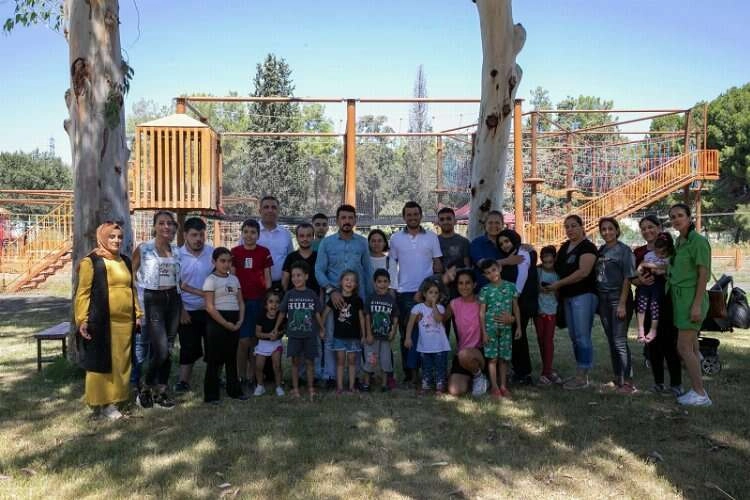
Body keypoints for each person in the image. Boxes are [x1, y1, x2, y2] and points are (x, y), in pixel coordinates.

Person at [74, 222, 142, 420]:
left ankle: (117, 399)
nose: (116, 240)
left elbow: (132, 289)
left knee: (121, 363)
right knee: (102, 362)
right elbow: (83, 293)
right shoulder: (91, 262)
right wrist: (82, 319)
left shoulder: (126, 261)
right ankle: (103, 403)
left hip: (125, 322)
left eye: (119, 237)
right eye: (111, 236)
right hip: (102, 322)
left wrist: (138, 314)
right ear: (102, 238)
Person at [315, 204, 372, 388]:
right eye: (343, 218)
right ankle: (330, 376)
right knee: (331, 337)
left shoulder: (362, 243)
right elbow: (319, 270)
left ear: (355, 220)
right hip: (334, 299)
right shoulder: (327, 243)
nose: (347, 221)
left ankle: (358, 377)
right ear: (337, 220)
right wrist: (331, 291)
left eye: (350, 218)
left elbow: (368, 271)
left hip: (356, 300)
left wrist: (368, 298)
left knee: (357, 337)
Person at [389, 201, 443, 385]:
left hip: (428, 294)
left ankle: (429, 371)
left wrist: (435, 292)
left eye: (415, 214)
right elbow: (392, 265)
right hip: (404, 292)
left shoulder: (432, 237)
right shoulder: (395, 238)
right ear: (404, 217)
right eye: (409, 215)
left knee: (428, 332)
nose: (412, 217)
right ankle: (410, 374)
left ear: (421, 216)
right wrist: (393, 290)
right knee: (407, 333)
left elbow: (437, 264)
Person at [133, 210, 181, 409]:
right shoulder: (144, 249)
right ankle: (145, 386)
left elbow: (179, 279)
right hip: (153, 299)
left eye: (169, 223)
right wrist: (135, 303)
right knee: (160, 349)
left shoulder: (176, 250)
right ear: (154, 226)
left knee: (168, 349)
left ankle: (161, 391)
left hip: (174, 299)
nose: (166, 227)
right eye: (161, 223)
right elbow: (130, 276)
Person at [543, 215, 598, 390]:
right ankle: (580, 372)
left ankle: (582, 377)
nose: (570, 229)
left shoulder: (588, 247)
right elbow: (554, 265)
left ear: (582, 227)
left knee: (582, 336)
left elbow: (583, 272)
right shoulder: (565, 247)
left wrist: (559, 284)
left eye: (573, 226)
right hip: (567, 297)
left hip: (584, 295)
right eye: (567, 227)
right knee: (574, 337)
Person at [668, 203, 712, 407]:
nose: (676, 219)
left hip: (691, 299)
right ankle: (697, 389)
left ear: (689, 217)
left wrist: (696, 305)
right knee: (692, 346)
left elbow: (703, 275)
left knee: (683, 347)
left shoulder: (699, 242)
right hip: (680, 298)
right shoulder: (680, 241)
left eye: (680, 215)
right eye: (673, 217)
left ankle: (700, 393)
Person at [633, 215, 682, 396]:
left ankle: (676, 384)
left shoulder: (672, 250)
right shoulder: (639, 252)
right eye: (643, 228)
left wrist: (665, 271)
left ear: (659, 227)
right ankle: (658, 383)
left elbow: (679, 272)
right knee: (652, 345)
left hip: (667, 301)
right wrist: (640, 280)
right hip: (645, 301)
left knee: (669, 343)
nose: (647, 231)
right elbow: (631, 277)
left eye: (651, 227)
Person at [595, 217, 637, 394]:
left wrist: (621, 304)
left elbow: (628, 278)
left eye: (610, 229)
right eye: (603, 229)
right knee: (612, 340)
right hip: (603, 299)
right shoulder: (602, 250)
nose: (607, 232)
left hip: (618, 298)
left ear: (617, 230)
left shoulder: (624, 251)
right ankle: (618, 378)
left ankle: (628, 382)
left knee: (619, 341)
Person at [231, 218, 272, 394]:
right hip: (241, 301)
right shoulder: (235, 252)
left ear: (258, 235)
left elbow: (267, 278)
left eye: (253, 232)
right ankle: (240, 376)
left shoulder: (264, 252)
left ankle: (251, 377)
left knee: (255, 341)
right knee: (243, 341)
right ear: (242, 233)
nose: (249, 235)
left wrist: (267, 298)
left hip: (258, 301)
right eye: (246, 232)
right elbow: (232, 278)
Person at [174, 217, 214, 393]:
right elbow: (174, 286)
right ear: (185, 235)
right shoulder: (176, 255)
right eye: (194, 235)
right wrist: (181, 310)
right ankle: (183, 381)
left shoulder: (213, 253)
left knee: (214, 346)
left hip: (210, 309)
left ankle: (215, 378)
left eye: (201, 235)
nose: (198, 239)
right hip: (187, 310)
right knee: (188, 347)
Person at [202, 247, 245, 404]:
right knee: (214, 359)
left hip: (234, 320)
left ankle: (234, 391)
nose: (226, 264)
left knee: (231, 358)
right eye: (222, 261)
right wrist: (225, 323)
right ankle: (211, 396)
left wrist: (240, 321)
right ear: (214, 262)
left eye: (229, 261)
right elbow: (209, 306)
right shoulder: (210, 280)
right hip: (217, 321)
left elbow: (240, 302)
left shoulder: (234, 279)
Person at [277, 261, 325, 399]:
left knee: (310, 362)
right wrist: (276, 327)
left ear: (306, 276)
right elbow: (282, 312)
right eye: (293, 276)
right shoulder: (289, 294)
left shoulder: (312, 294)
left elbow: (317, 313)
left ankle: (311, 388)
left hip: (310, 334)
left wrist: (322, 328)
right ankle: (295, 389)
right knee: (295, 362)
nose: (295, 278)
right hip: (294, 335)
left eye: (299, 275)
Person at [496, 229, 536, 385]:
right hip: (512, 301)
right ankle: (518, 370)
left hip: (520, 302)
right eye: (501, 244)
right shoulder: (509, 256)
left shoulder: (523, 253)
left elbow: (522, 276)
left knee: (519, 336)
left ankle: (524, 373)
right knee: (514, 335)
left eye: (507, 241)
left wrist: (515, 296)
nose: (504, 245)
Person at [478, 259, 522, 398]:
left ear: (499, 268)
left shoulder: (511, 287)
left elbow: (516, 307)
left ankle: (503, 386)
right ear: (485, 276)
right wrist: (484, 333)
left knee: (504, 358)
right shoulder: (485, 290)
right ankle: (494, 387)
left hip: (506, 329)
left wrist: (518, 326)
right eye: (488, 273)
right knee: (492, 358)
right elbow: (482, 313)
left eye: (493, 270)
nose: (492, 274)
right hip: (490, 329)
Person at [404, 278, 452, 394]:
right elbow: (410, 323)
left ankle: (440, 386)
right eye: (431, 292)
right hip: (425, 345)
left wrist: (434, 305)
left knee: (440, 366)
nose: (433, 295)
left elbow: (438, 319)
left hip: (440, 346)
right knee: (426, 366)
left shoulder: (440, 308)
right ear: (425, 294)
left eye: (436, 293)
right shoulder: (418, 308)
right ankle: (426, 385)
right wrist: (408, 337)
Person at [446, 269, 489, 397]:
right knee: (455, 390)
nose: (464, 286)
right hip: (462, 353)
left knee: (465, 354)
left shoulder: (481, 302)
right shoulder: (454, 304)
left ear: (474, 284)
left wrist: (510, 318)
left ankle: (480, 376)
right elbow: (440, 319)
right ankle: (472, 375)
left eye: (467, 283)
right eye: (460, 283)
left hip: (481, 351)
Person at [324, 270, 366, 394]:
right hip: (339, 336)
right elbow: (325, 313)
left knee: (352, 361)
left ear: (356, 284)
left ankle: (352, 386)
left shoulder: (357, 300)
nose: (349, 282)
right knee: (340, 361)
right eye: (347, 279)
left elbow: (361, 318)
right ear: (341, 282)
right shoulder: (335, 299)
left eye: (352, 281)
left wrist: (363, 334)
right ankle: (340, 387)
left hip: (354, 337)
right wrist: (321, 328)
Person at [363, 269, 400, 391]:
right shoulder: (370, 298)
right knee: (371, 360)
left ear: (389, 283)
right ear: (374, 283)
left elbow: (395, 317)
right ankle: (366, 384)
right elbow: (367, 316)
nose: (382, 284)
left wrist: (393, 331)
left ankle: (384, 385)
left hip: (385, 337)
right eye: (379, 281)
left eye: (385, 281)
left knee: (385, 360)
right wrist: (368, 333)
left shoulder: (391, 300)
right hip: (373, 336)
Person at [635, 232, 673, 343]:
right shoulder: (649, 255)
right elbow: (639, 268)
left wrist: (649, 266)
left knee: (654, 306)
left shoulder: (669, 258)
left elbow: (665, 267)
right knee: (641, 305)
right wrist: (640, 277)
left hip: (658, 285)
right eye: (657, 252)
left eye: (662, 253)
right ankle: (640, 329)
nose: (659, 255)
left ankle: (653, 329)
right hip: (646, 283)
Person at [469, 211, 522, 289]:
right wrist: (507, 261)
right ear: (485, 225)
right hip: (484, 290)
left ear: (502, 225)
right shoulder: (477, 243)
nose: (494, 225)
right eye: (490, 223)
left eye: (497, 223)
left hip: (507, 290)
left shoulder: (509, 242)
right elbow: (482, 264)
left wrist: (525, 247)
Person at [534, 245, 562, 385]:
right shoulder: (537, 271)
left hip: (552, 310)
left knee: (548, 340)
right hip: (538, 311)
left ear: (554, 259)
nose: (547, 264)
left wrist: (554, 288)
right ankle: (548, 368)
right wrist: (539, 288)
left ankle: (546, 372)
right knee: (540, 339)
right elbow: (532, 286)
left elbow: (559, 294)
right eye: (545, 261)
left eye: (550, 261)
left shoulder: (558, 274)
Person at [257, 195, 294, 290]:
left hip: (280, 286)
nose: (270, 210)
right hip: (255, 285)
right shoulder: (251, 232)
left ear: (278, 211)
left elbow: (290, 259)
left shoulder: (286, 234)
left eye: (273, 207)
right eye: (266, 207)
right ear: (260, 211)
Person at [253, 289, 285, 397]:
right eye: (271, 302)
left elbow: (283, 331)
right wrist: (268, 335)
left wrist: (277, 334)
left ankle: (279, 386)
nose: (274, 305)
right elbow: (257, 333)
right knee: (258, 366)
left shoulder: (281, 317)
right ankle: (260, 386)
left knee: (277, 366)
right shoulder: (261, 316)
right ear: (266, 305)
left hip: (276, 345)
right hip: (262, 344)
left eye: (277, 302)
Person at [281, 223, 319, 293]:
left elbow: (322, 281)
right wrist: (284, 296)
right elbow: (285, 280)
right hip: (293, 298)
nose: (305, 239)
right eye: (301, 236)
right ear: (297, 238)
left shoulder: (319, 257)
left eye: (308, 236)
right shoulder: (290, 257)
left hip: (314, 297)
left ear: (313, 237)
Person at [437, 206, 471, 277]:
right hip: (439, 280)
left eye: (449, 219)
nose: (445, 222)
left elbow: (467, 266)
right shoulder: (433, 241)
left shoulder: (464, 241)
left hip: (459, 280)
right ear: (438, 223)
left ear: (455, 221)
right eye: (442, 219)